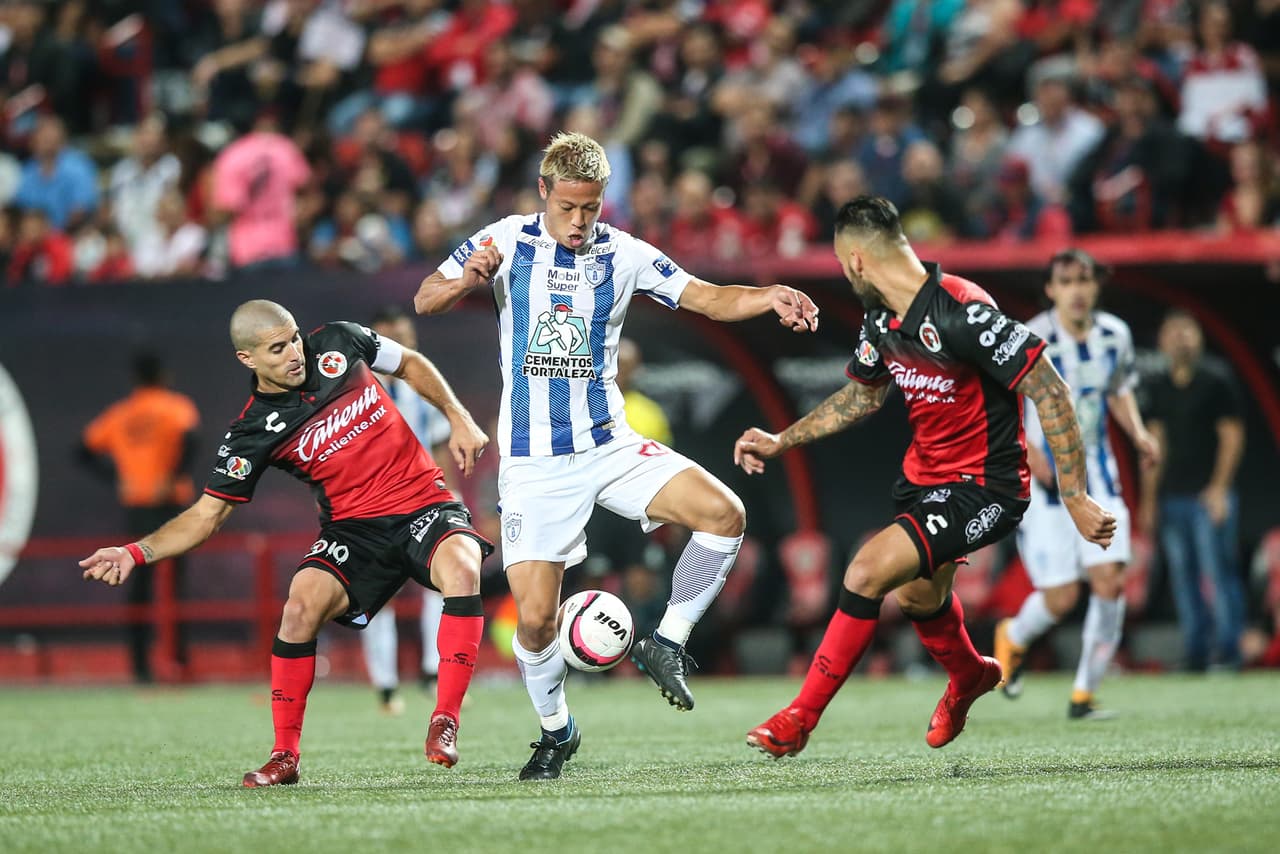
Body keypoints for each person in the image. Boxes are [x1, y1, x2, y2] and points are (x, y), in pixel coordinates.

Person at [414, 131, 819, 780]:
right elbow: (424, 298)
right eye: (568, 207)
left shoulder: (624, 253)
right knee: (535, 622)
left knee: (725, 514)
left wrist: (767, 295)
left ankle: (666, 643)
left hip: (610, 444)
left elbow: (706, 295)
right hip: (534, 462)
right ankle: (557, 730)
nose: (579, 221)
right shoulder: (506, 239)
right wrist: (467, 279)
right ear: (543, 192)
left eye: (591, 207)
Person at [735, 196, 1116, 758]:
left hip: (985, 486)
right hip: (923, 481)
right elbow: (863, 397)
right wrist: (781, 439)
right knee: (917, 597)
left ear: (857, 260)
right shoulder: (880, 318)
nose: (845, 274)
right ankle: (970, 676)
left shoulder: (963, 310)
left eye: (842, 263)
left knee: (866, 570)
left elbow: (1051, 391)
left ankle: (800, 717)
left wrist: (1075, 495)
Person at [80, 300, 492, 786]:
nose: (295, 353)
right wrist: (134, 552)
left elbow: (410, 363)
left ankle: (444, 719)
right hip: (353, 530)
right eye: (277, 349)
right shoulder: (252, 431)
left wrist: (457, 415)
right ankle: (284, 756)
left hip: (422, 502)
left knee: (463, 567)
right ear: (247, 358)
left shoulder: (340, 340)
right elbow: (207, 516)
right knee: (298, 610)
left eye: (294, 338)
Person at [995, 250, 1160, 718]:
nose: (1077, 290)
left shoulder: (1115, 335)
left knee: (1110, 581)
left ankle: (1084, 693)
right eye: (1066, 281)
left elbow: (1119, 389)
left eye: (1084, 279)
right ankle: (1013, 636)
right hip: (1045, 489)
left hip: (1099, 480)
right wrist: (1029, 452)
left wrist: (1139, 434)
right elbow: (1003, 402)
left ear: (1096, 285)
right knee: (1062, 596)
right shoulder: (1029, 338)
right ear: (1051, 290)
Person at [80, 352, 201, 683]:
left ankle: (140, 666)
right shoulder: (176, 407)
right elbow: (192, 442)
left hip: (138, 506)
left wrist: (117, 478)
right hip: (172, 506)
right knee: (175, 586)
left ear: (135, 379)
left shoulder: (121, 414)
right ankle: (179, 661)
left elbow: (83, 451)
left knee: (138, 586)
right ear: (164, 376)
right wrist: (172, 478)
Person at [360, 305, 456, 715]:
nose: (402, 346)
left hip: (422, 497)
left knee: (441, 583)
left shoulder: (422, 384)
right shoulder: (354, 390)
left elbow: (438, 443)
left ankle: (433, 673)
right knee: (378, 595)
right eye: (393, 339)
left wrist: (450, 493)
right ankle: (386, 687)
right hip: (370, 501)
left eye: (406, 338)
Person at [1141, 310, 1247, 671]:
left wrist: (1219, 489)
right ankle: (1196, 653)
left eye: (1187, 331)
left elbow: (1232, 437)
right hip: (1172, 496)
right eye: (1172, 331)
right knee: (1183, 577)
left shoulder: (1216, 379)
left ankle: (1229, 652)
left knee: (1218, 572)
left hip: (1208, 497)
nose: (1180, 338)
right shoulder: (1157, 385)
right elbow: (1155, 444)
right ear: (1161, 341)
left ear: (1199, 338)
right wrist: (1149, 500)